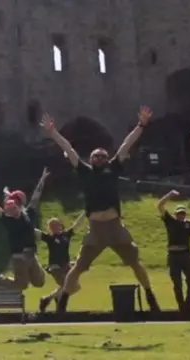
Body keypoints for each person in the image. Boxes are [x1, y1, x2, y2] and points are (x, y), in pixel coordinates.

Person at [40, 106, 161, 313]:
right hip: (96, 228)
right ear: (91, 159)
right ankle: (63, 300)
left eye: (102, 156)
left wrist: (141, 125)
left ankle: (150, 295)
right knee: (78, 267)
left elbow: (126, 144)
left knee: (135, 262)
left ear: (107, 159)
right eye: (95, 156)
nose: (99, 159)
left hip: (115, 227)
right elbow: (69, 149)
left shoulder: (113, 168)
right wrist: (53, 133)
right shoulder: (85, 171)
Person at [0, 184, 46, 291]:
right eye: (9, 210)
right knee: (21, 286)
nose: (12, 211)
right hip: (19, 257)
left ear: (19, 207)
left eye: (14, 208)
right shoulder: (7, 221)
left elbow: (36, 196)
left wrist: (42, 179)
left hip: (31, 255)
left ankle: (25, 275)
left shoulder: (29, 214)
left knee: (40, 282)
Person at [156, 190, 190, 314]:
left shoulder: (189, 224)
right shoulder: (170, 221)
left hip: (186, 255)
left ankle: (188, 305)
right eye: (179, 213)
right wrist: (169, 195)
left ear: (185, 214)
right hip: (174, 256)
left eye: (183, 213)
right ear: (175, 214)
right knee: (177, 283)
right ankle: (181, 307)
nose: (181, 215)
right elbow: (160, 205)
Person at [36, 212, 87, 313]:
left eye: (57, 225)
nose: (56, 227)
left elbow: (77, 224)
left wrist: (85, 213)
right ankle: (54, 299)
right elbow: (35, 231)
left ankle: (49, 298)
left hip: (66, 266)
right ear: (50, 228)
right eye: (52, 226)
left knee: (75, 287)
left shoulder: (66, 235)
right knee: (68, 286)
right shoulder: (50, 238)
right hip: (56, 267)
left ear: (61, 225)